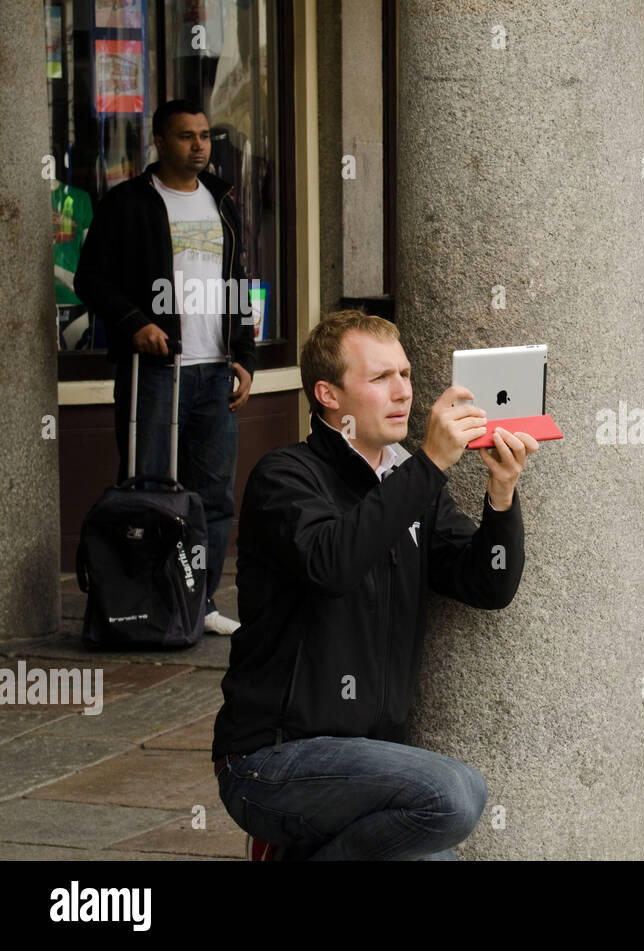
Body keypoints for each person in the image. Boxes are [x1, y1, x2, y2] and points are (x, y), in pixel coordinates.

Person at [212, 310, 538, 860]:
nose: (403, 392)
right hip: (272, 760)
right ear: (328, 395)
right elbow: (333, 564)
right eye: (380, 378)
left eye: (406, 375)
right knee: (456, 795)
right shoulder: (284, 478)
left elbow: (489, 585)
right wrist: (430, 464)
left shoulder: (410, 480)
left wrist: (501, 496)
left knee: (436, 847)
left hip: (370, 764)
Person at [75, 99, 256, 636]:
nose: (199, 145)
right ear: (159, 141)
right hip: (155, 372)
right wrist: (135, 323)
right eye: (185, 136)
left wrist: (244, 357)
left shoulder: (221, 201)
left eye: (204, 136)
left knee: (214, 497)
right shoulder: (129, 202)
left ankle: (198, 602)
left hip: (214, 370)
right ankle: (145, 604)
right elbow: (91, 280)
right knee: (146, 491)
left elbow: (237, 281)